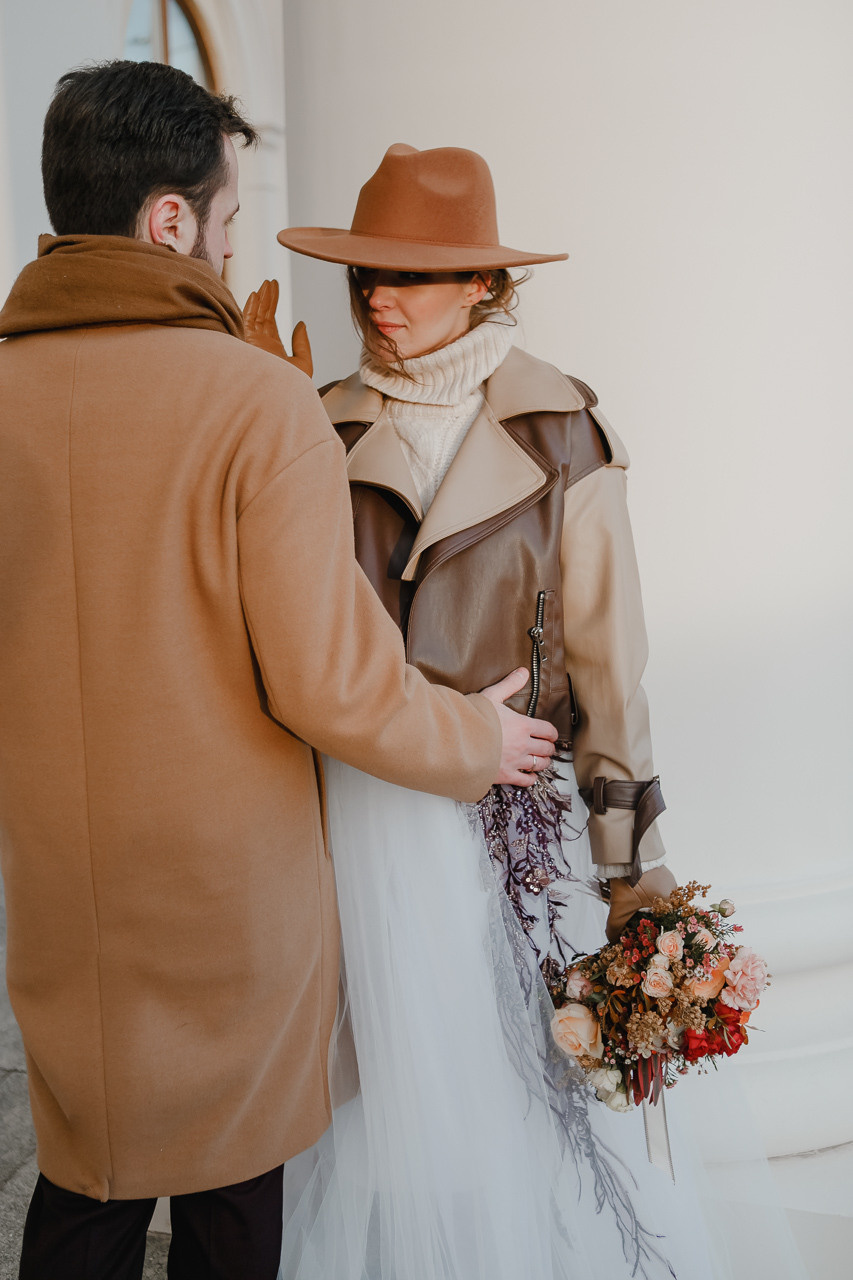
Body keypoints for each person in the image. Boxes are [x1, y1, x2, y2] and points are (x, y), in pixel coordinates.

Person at [0, 74, 559, 1280]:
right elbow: (329, 678)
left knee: (88, 1183)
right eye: (228, 216)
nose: (230, 242)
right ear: (168, 223)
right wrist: (472, 739)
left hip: (59, 883)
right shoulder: (257, 401)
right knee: (233, 1194)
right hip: (226, 898)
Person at [246, 144, 706, 1279]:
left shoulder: (563, 432)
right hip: (356, 820)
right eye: (364, 275)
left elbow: (609, 671)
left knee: (520, 1106)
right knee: (374, 1122)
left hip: (515, 824)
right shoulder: (316, 424)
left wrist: (633, 879)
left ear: (485, 286)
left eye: (409, 273)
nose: (378, 300)